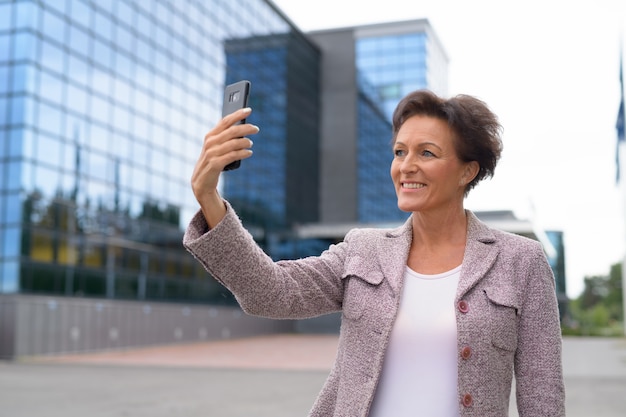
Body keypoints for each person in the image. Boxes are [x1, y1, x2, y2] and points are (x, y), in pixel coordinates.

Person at [183, 89, 565, 417]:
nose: (406, 166)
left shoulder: (521, 261)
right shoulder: (362, 250)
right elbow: (271, 291)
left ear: (467, 172)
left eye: (427, 153)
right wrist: (210, 199)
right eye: (400, 151)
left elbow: (543, 399)